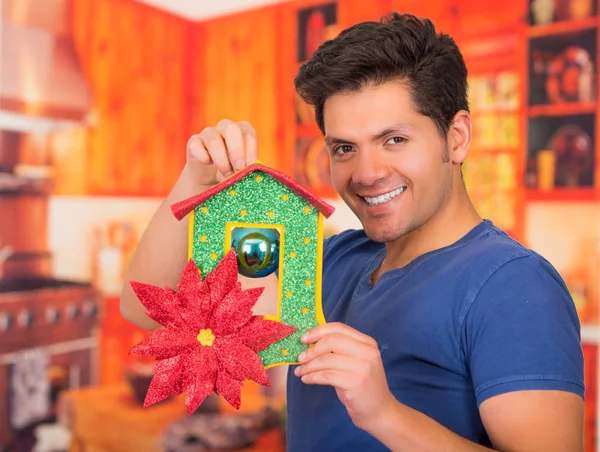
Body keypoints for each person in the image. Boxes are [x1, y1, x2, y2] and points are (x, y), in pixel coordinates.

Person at [120, 12, 585, 452]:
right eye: (345, 147)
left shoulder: (513, 285)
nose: (366, 173)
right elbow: (148, 308)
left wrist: (385, 414)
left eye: (394, 139)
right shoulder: (329, 260)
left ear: (457, 136)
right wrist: (195, 179)